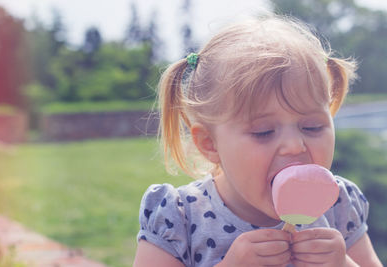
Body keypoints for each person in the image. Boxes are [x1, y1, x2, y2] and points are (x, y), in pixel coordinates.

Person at [133, 15, 382, 267]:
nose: (295, 145)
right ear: (210, 143)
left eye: (312, 127)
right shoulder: (179, 217)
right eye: (263, 132)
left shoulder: (338, 206)